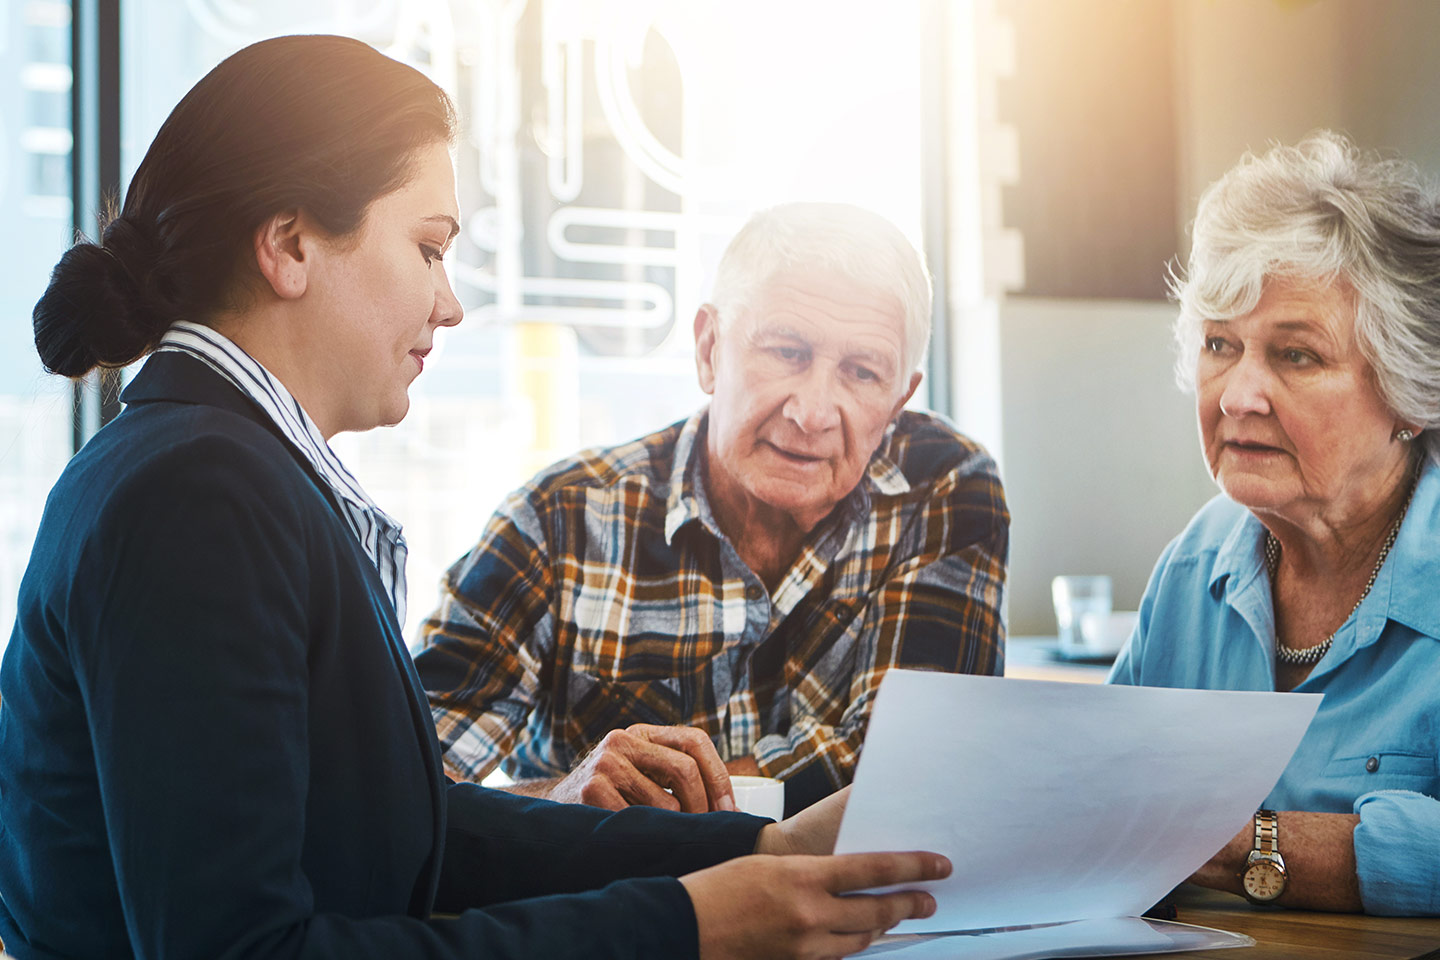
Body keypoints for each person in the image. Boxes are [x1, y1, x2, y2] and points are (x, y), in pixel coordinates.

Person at [0, 35, 951, 960]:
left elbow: (410, 833)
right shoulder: (198, 492)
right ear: (289, 246)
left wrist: (756, 850)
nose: (449, 303)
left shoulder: (224, 465)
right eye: (427, 247)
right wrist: (692, 928)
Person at [414, 203, 1009, 817]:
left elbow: (924, 762)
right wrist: (563, 797)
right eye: (787, 352)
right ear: (708, 350)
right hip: (619, 910)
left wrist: (647, 804)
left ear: (899, 398)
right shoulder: (556, 520)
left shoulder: (946, 485)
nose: (813, 412)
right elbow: (399, 781)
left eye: (862, 372)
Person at [1110, 131, 1440, 916]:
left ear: (1408, 393)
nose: (1237, 395)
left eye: (1296, 356)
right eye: (1220, 345)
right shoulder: (1196, 563)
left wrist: (1253, 845)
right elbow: (1101, 787)